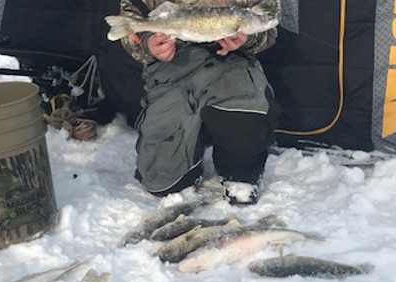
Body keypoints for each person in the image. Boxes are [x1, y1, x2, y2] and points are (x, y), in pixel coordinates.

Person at [118, 0, 280, 205]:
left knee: (245, 120)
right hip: (173, 68)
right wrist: (147, 44)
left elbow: (269, 22)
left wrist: (247, 39)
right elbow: (128, 22)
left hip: (232, 65)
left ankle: (240, 170)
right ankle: (190, 143)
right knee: (163, 182)